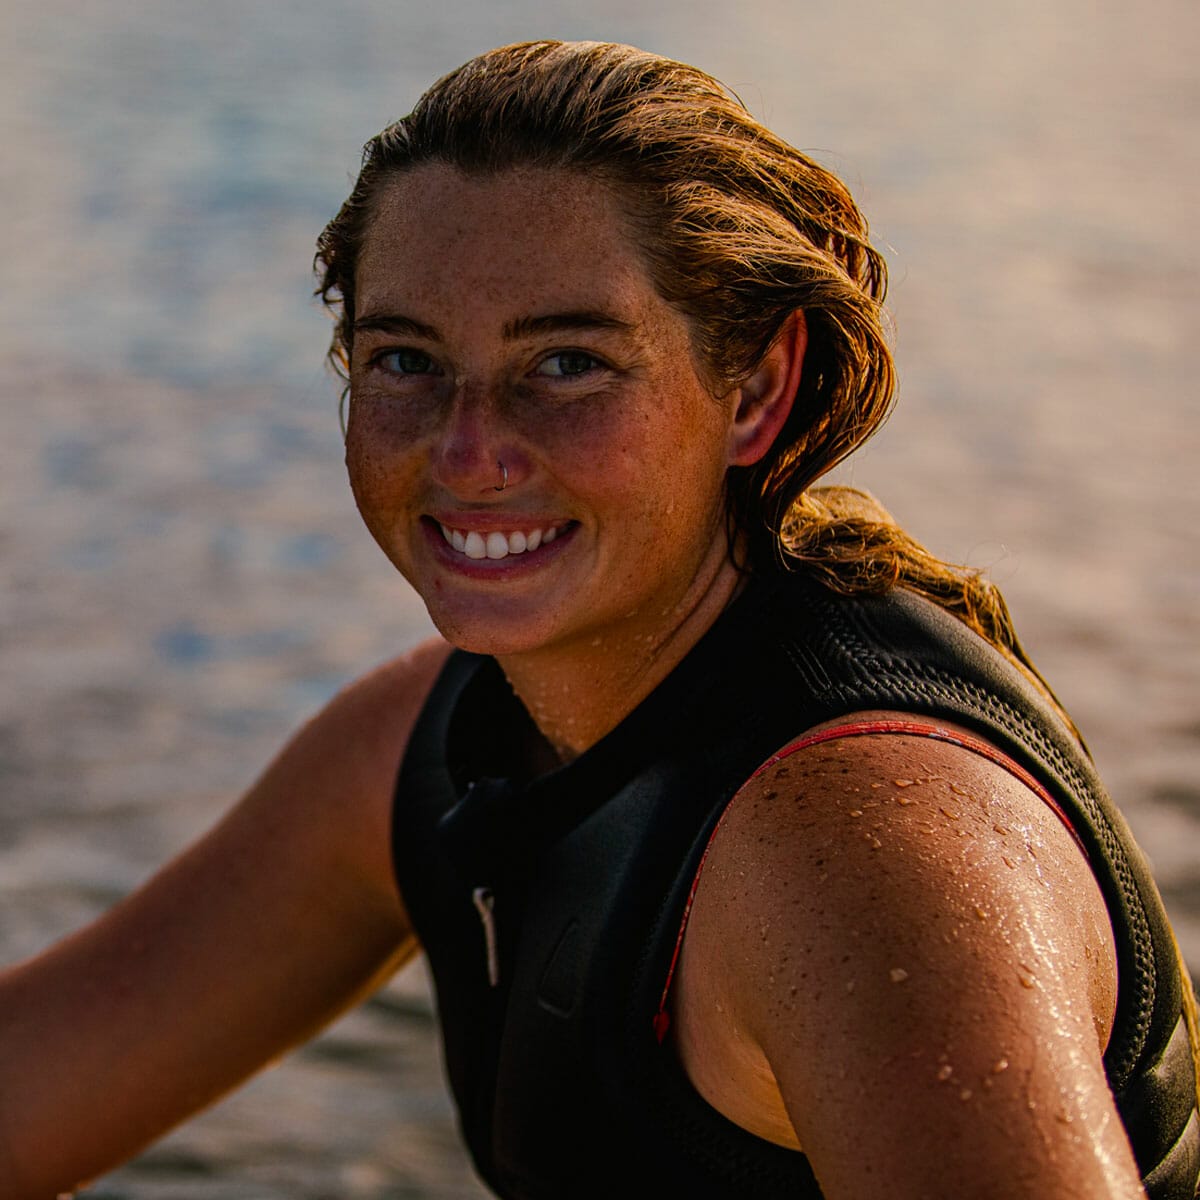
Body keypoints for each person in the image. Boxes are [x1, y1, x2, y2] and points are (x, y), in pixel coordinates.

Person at [3, 38, 1197, 1200]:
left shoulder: (857, 849)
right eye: (407, 360)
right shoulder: (429, 751)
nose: (469, 452)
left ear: (757, 390)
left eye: (568, 363)